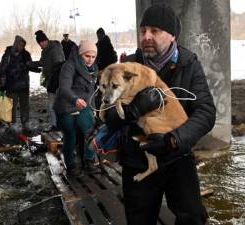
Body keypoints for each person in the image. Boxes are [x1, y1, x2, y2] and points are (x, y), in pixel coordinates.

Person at [102, 4, 216, 224]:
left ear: (172, 35)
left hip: (178, 157)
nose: (146, 37)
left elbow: (206, 112)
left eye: (154, 31)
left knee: (193, 217)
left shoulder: (188, 64)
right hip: (138, 159)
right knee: (139, 219)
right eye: (143, 30)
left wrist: (174, 140)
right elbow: (106, 115)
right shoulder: (125, 67)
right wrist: (133, 109)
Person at [53, 40, 99, 177]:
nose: (90, 60)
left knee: (90, 131)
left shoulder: (93, 69)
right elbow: (63, 89)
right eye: (87, 56)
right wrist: (75, 99)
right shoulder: (69, 65)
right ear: (80, 54)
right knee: (71, 134)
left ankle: (89, 161)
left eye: (93, 57)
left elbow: (91, 92)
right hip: (67, 104)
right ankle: (71, 165)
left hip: (84, 105)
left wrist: (94, 110)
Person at [0, 35, 40, 133]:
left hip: (24, 85)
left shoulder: (26, 54)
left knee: (25, 106)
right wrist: (2, 84)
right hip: (11, 86)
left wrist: (37, 68)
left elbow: (30, 64)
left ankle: (25, 124)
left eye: (23, 45)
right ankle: (12, 125)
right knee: (11, 107)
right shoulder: (8, 54)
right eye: (20, 44)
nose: (21, 46)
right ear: (15, 44)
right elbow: (2, 70)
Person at [30, 30, 65, 131]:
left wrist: (54, 80)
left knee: (54, 105)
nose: (40, 45)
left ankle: (58, 125)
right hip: (51, 81)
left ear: (45, 40)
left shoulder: (55, 49)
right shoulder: (45, 51)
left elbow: (59, 66)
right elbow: (42, 62)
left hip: (57, 82)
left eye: (41, 43)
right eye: (39, 43)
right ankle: (55, 125)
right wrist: (30, 64)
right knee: (52, 105)